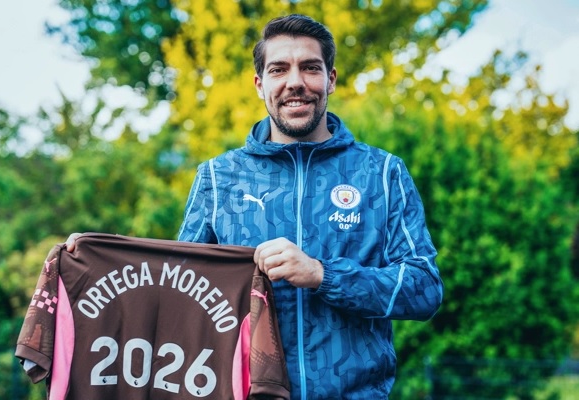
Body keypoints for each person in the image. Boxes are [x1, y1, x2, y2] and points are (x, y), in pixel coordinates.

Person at [68, 14, 443, 399]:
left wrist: (322, 274)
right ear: (260, 84)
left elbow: (425, 289)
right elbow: (177, 291)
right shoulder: (218, 178)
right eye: (279, 69)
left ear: (331, 79)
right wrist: (97, 259)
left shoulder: (381, 173)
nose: (295, 82)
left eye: (310, 67)